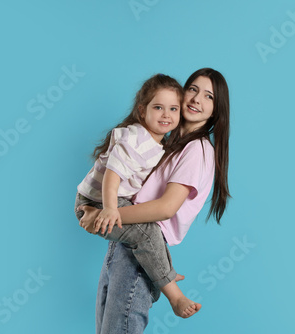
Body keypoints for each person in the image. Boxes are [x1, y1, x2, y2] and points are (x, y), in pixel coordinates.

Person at [78, 68, 231, 333]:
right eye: (193, 89)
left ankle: (172, 290)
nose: (196, 99)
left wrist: (104, 215)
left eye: (209, 97)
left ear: (217, 111)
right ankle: (167, 279)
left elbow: (166, 208)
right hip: (127, 245)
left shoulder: (198, 149)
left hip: (138, 251)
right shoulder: (163, 141)